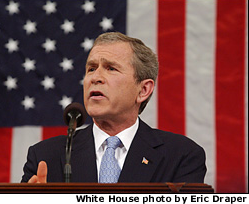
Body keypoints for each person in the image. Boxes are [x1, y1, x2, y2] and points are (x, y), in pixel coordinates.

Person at [21, 32, 206, 183]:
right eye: (91, 68)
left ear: (143, 90)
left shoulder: (181, 156)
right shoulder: (45, 156)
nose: (95, 77)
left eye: (111, 68)